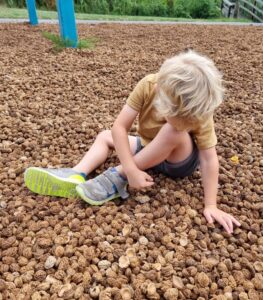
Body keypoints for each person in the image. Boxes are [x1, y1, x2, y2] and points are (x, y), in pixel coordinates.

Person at [24, 50, 241, 234]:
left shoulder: (198, 107)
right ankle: (76, 173)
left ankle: (117, 176)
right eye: (185, 119)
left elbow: (208, 158)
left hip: (178, 160)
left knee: (174, 132)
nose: (190, 123)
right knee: (105, 136)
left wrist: (211, 205)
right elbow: (119, 127)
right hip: (149, 148)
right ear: (163, 99)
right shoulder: (148, 85)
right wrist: (132, 167)